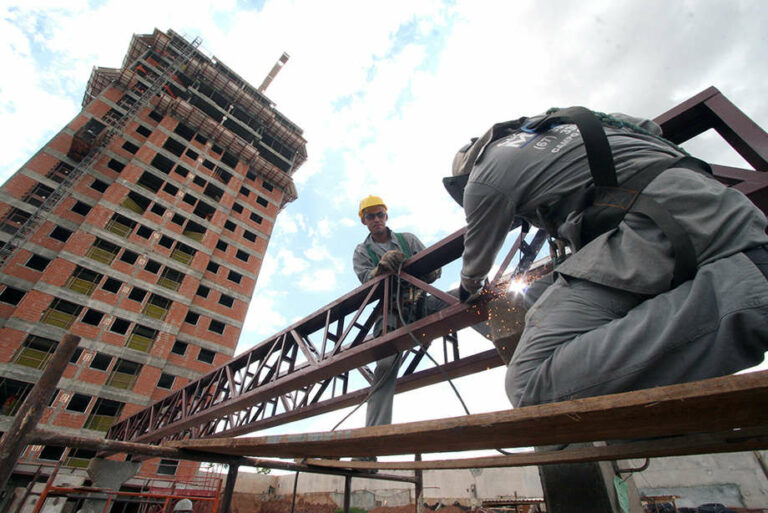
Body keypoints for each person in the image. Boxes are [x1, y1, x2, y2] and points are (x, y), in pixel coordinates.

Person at [444, 107, 768, 408]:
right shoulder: (561, 121)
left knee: (530, 383)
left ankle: (753, 292)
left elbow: (477, 259)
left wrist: (468, 291)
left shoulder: (483, 178)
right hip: (723, 208)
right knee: (531, 300)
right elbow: (649, 128)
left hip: (653, 228)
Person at [353, 195, 441, 427]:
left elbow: (436, 270)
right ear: (364, 221)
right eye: (370, 216)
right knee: (385, 364)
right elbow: (365, 282)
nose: (376, 219)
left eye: (379, 214)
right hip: (391, 311)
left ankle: (513, 351)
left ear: (386, 216)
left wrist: (420, 267)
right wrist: (380, 269)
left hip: (422, 303)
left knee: (467, 301)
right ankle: (374, 436)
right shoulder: (362, 251)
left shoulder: (407, 240)